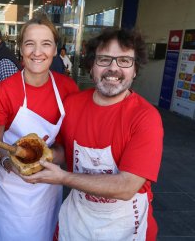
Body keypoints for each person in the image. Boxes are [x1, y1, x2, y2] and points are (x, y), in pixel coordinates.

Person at [23, 28, 163, 241]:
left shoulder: (145, 117)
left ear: (135, 70)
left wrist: (63, 177)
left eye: (124, 61)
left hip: (125, 226)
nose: (113, 68)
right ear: (91, 67)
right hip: (77, 220)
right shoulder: (73, 104)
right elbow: (63, 150)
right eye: (104, 59)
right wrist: (42, 155)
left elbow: (127, 187)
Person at [0, 16, 79, 241]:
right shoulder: (5, 90)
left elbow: (69, 145)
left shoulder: (68, 88)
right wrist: (11, 161)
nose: (38, 52)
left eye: (46, 44)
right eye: (30, 44)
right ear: (21, 49)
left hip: (48, 185)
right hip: (9, 189)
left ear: (55, 49)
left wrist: (48, 157)